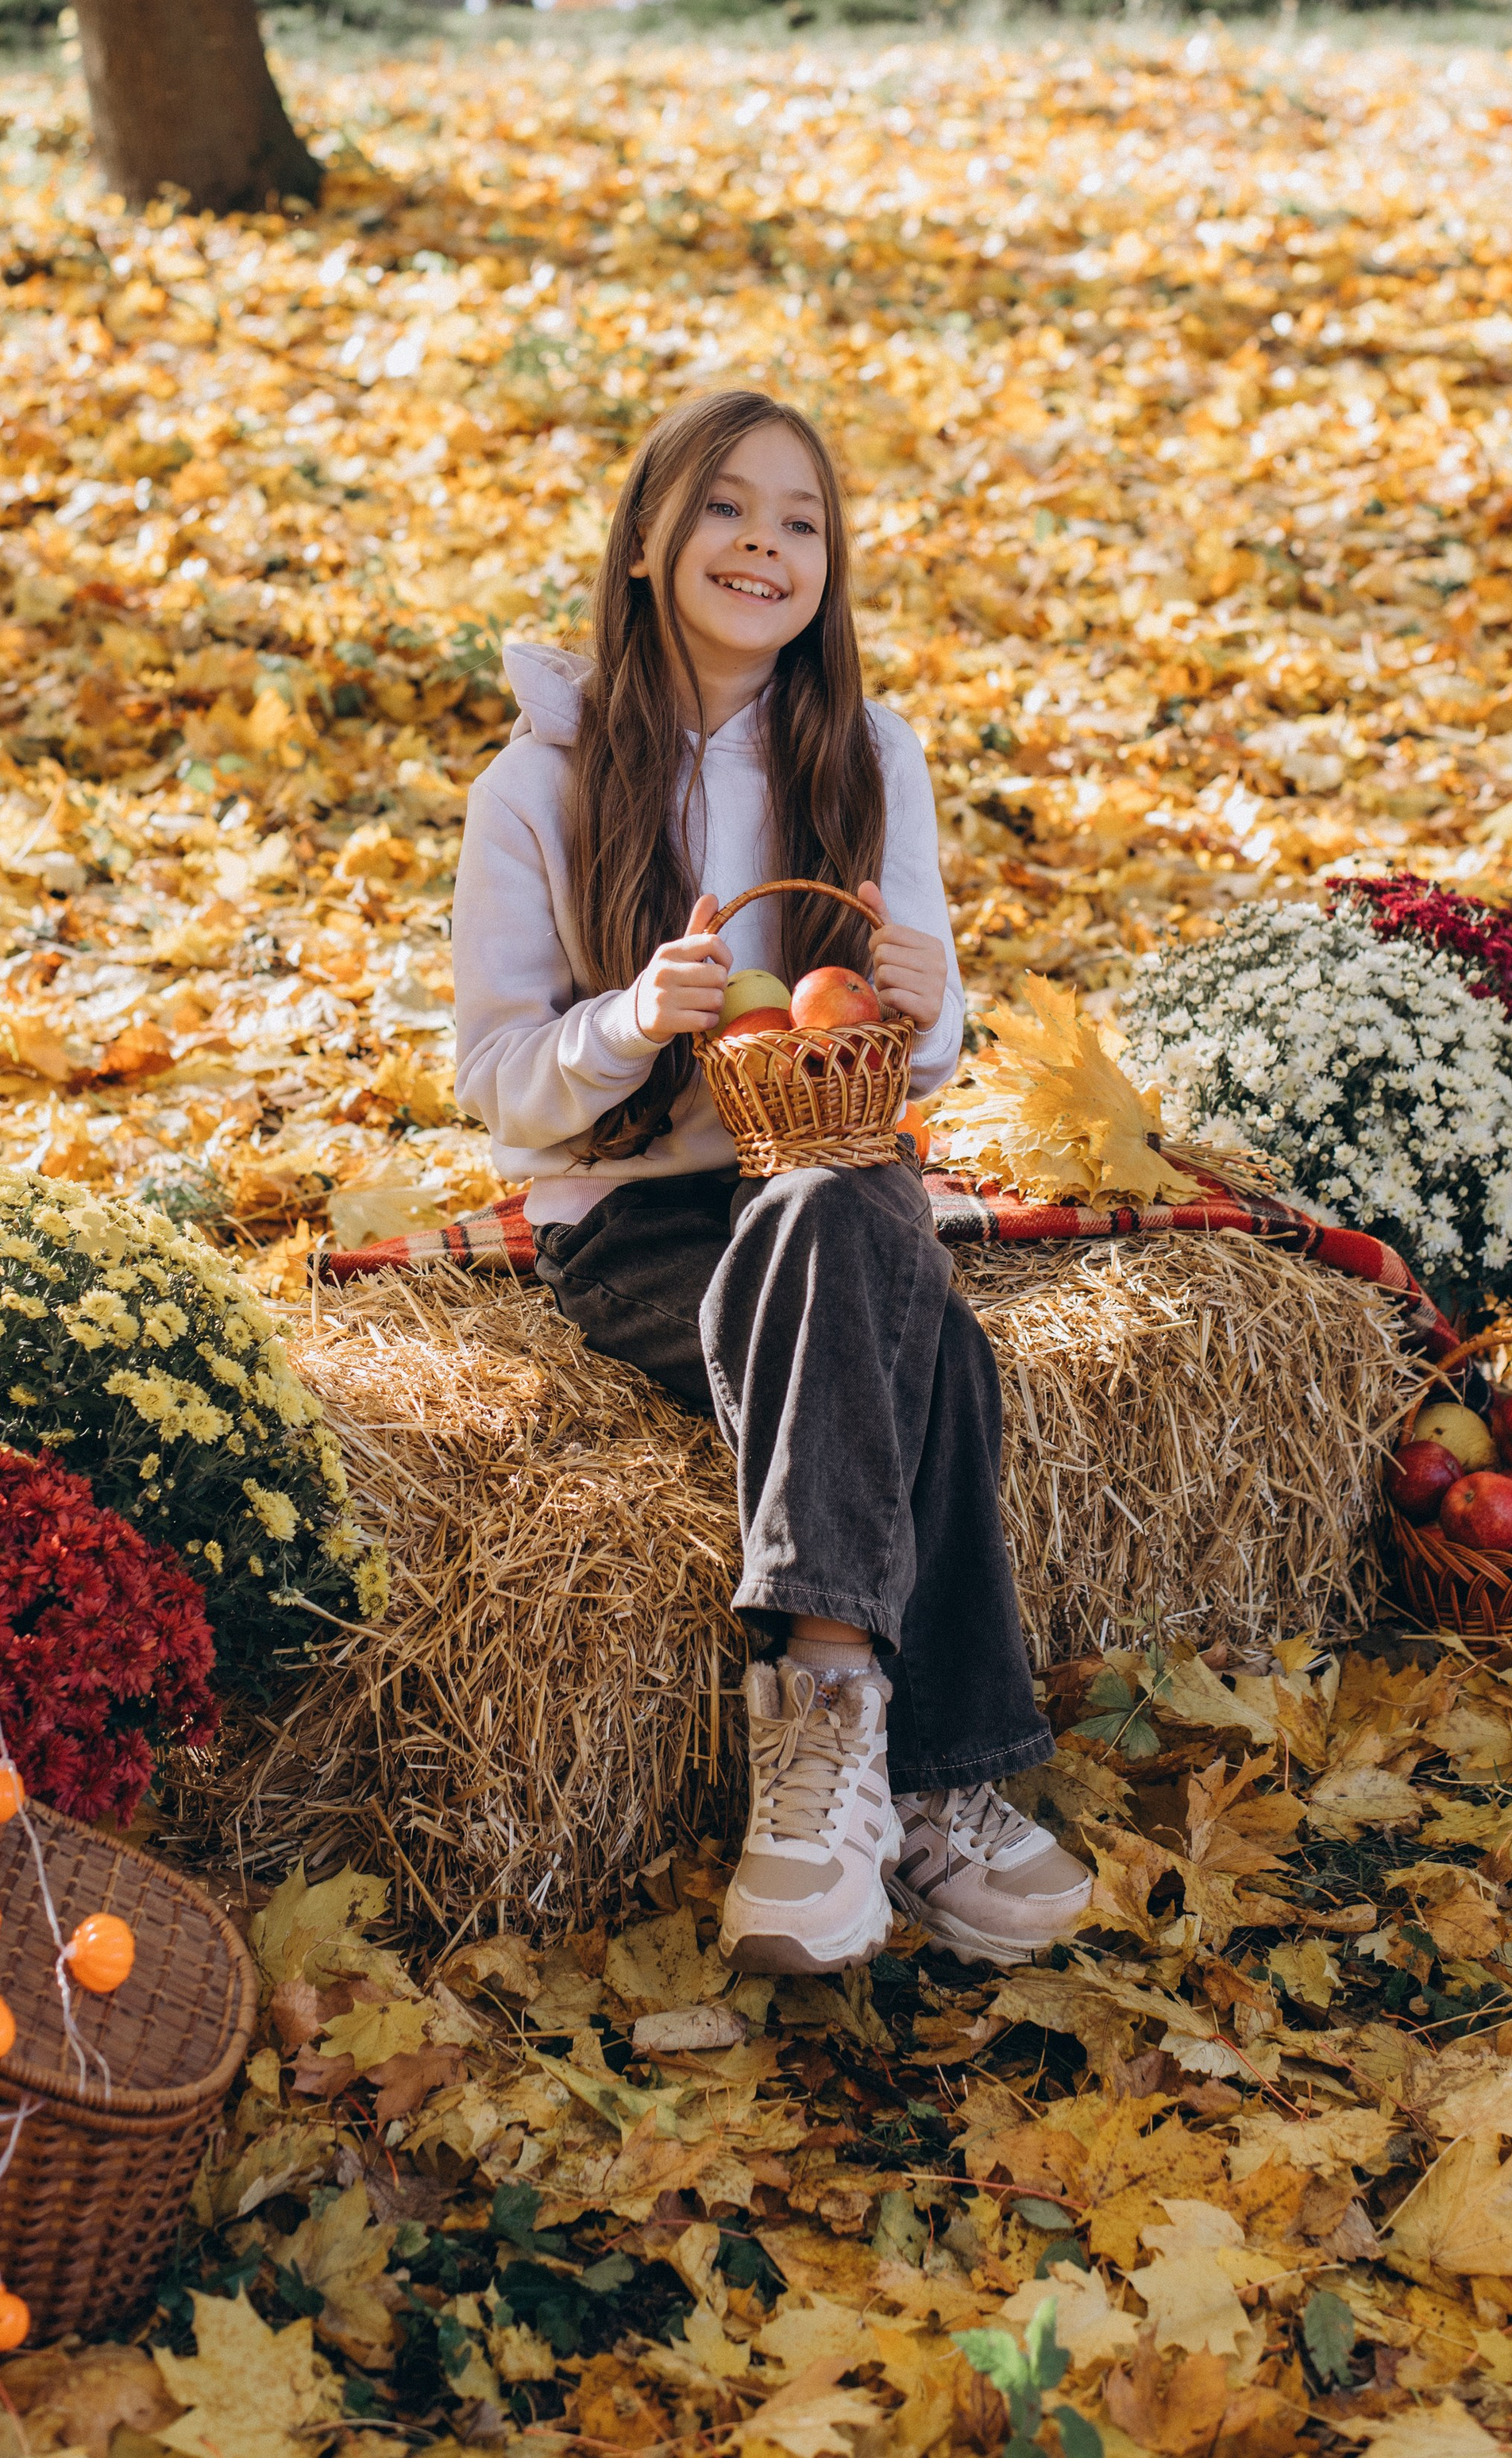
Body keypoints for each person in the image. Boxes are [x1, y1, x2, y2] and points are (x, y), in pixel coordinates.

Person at [452, 384, 1088, 1975]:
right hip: (636, 1222)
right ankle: (946, 1782)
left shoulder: (870, 753)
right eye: (728, 508)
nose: (763, 544)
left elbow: (913, 1066)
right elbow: (493, 1083)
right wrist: (621, 1027)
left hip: (827, 1170)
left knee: (833, 1209)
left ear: (830, 565)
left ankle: (824, 1747)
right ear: (651, 544)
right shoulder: (532, 788)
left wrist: (925, 1004)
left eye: (799, 521)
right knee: (916, 1333)